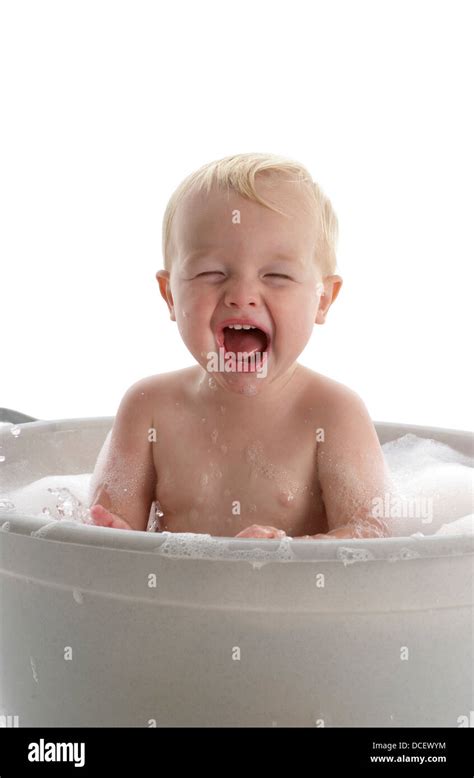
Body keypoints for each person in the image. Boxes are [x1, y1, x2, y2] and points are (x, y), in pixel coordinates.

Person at [89, 152, 391, 540]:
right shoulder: (148, 408)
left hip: (295, 600)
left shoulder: (333, 414)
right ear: (170, 296)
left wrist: (290, 553)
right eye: (211, 272)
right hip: (170, 599)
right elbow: (110, 535)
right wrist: (110, 530)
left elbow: (374, 534)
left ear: (322, 299)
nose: (242, 295)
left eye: (277, 275)